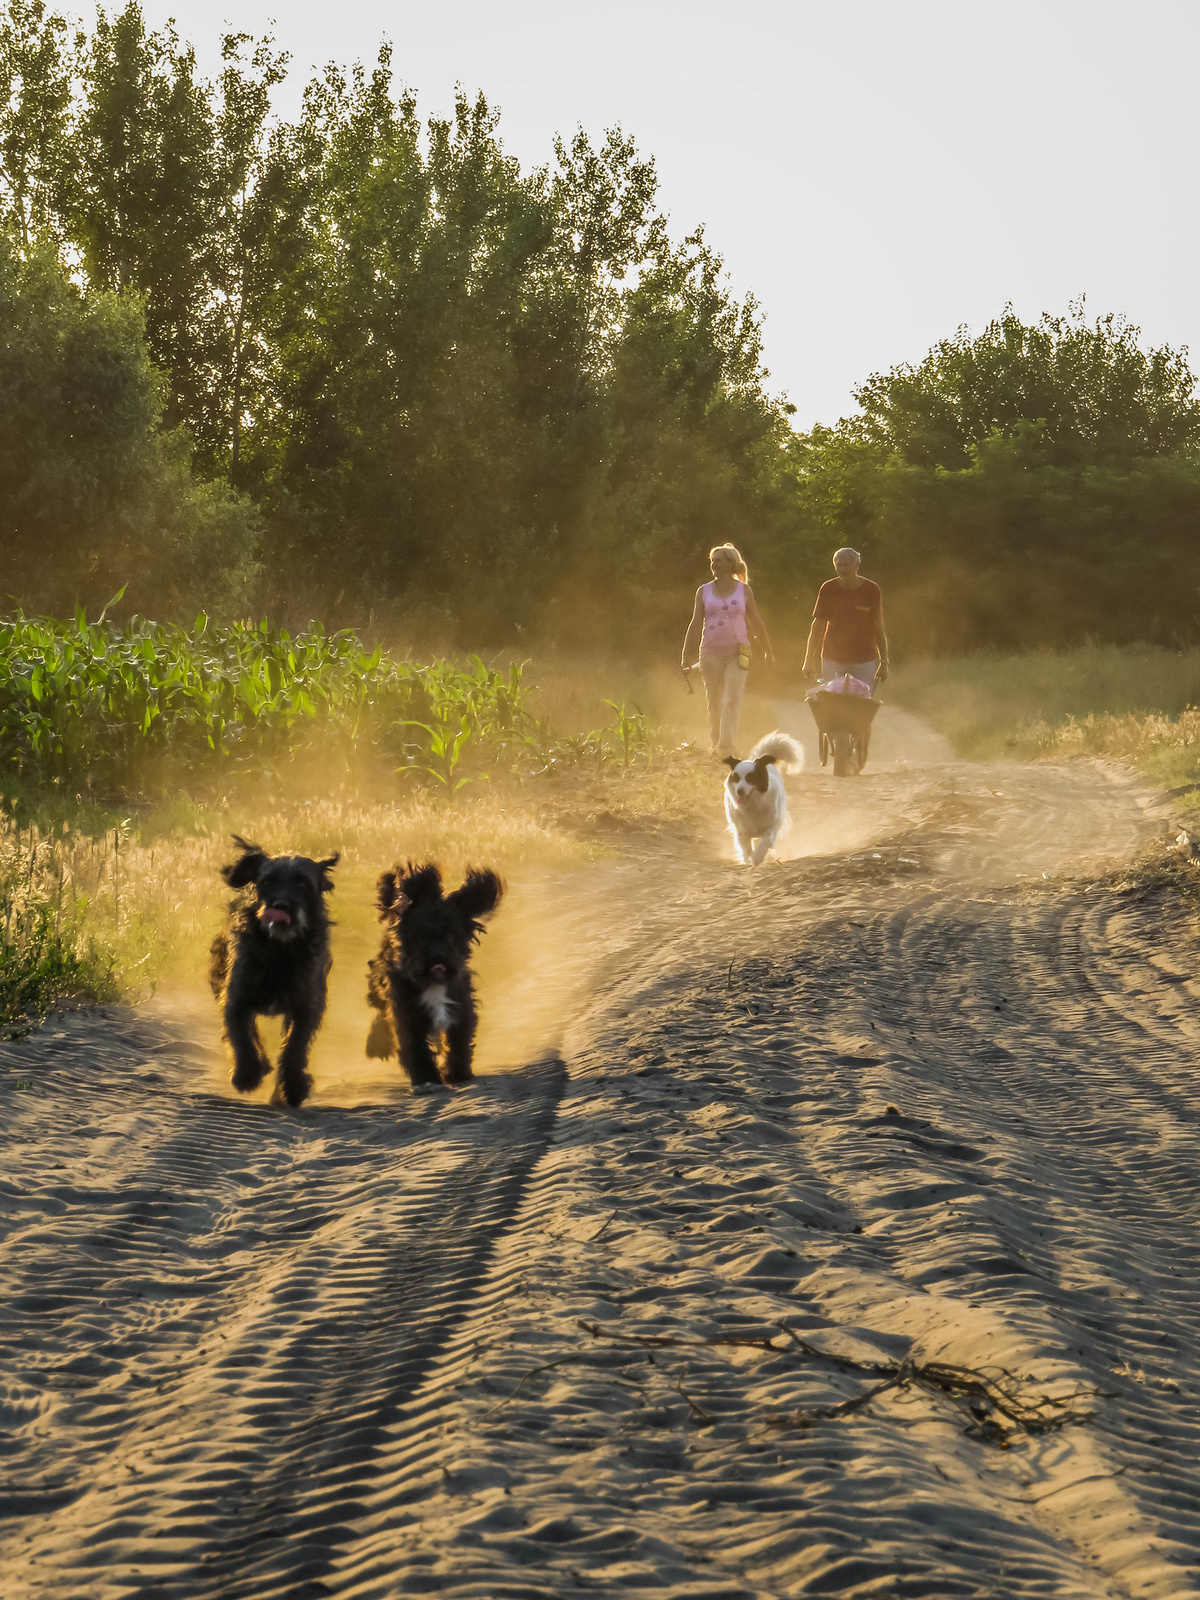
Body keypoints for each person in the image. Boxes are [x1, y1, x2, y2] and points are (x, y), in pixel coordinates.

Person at [681, 544, 775, 758]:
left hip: (738, 653)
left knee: (731, 699)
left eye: (719, 561)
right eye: (712, 561)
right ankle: (716, 744)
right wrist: (686, 654)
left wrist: (768, 652)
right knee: (714, 701)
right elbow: (696, 623)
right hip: (710, 653)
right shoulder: (703, 591)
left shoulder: (744, 590)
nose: (714, 564)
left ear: (730, 563)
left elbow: (756, 622)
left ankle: (726, 746)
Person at [802, 547, 889, 689]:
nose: (842, 569)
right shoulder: (828, 589)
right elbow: (817, 626)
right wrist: (808, 660)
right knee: (833, 701)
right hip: (833, 657)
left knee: (862, 701)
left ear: (856, 565)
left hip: (864, 658)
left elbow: (878, 627)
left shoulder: (871, 590)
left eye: (846, 564)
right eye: (839, 565)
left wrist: (884, 663)